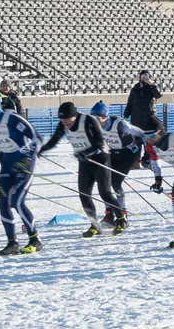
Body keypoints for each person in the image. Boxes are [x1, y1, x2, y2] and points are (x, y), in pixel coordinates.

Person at [38, 100, 125, 237]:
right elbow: (55, 139)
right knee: (84, 194)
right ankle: (94, 225)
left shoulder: (88, 120)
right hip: (84, 162)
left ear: (74, 115)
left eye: (67, 119)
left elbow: (99, 142)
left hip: (100, 158)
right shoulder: (63, 124)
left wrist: (86, 152)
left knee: (105, 192)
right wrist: (41, 150)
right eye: (62, 120)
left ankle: (121, 219)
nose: (65, 123)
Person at [0, 93, 40, 255]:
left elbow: (35, 137)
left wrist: (28, 157)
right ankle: (12, 243)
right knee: (3, 203)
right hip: (7, 166)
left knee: (17, 201)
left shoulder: (12, 118)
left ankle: (35, 239)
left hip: (24, 164)